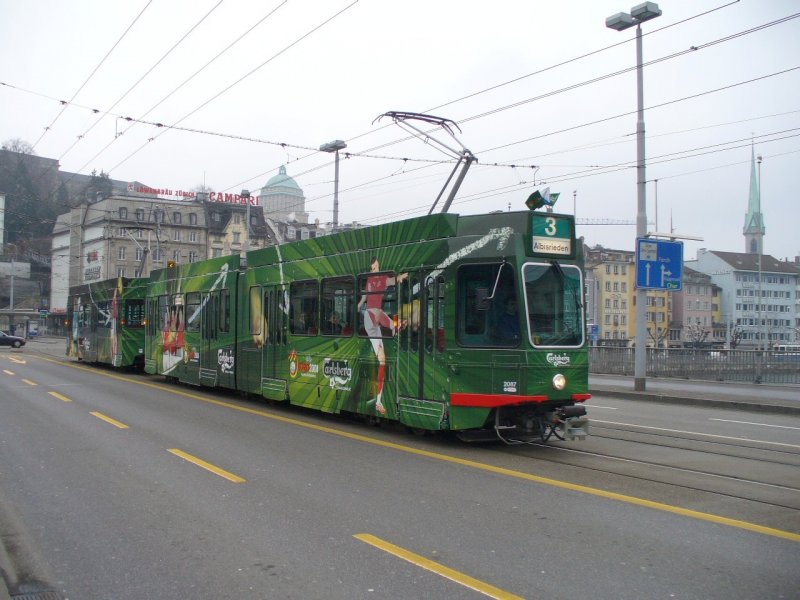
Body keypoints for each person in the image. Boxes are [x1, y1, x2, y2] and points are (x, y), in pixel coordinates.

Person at [357, 257, 407, 415]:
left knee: (383, 361)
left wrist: (401, 277)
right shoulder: (372, 280)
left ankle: (379, 401)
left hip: (373, 318)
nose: (374, 270)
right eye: (372, 269)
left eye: (376, 267)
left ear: (379, 266)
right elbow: (366, 296)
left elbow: (393, 280)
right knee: (384, 318)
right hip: (371, 316)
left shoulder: (384, 279)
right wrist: (360, 303)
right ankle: (396, 325)